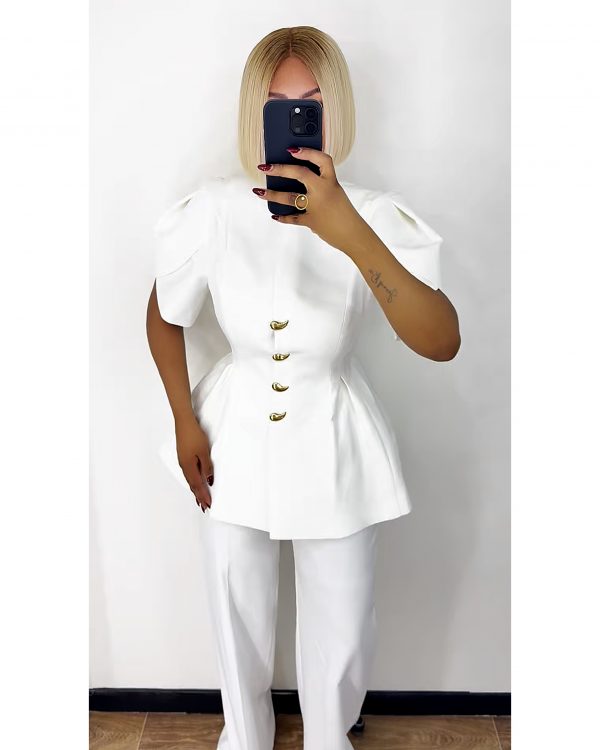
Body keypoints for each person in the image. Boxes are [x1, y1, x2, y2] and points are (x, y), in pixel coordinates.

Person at [146, 25, 460, 750]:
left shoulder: (373, 215)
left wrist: (345, 226)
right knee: (235, 604)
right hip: (231, 433)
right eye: (277, 105)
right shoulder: (214, 211)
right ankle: (246, 736)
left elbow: (442, 340)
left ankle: (328, 737)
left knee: (341, 621)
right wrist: (183, 420)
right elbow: (163, 313)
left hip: (334, 435)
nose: (294, 121)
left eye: (310, 105)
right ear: (253, 113)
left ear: (334, 111)